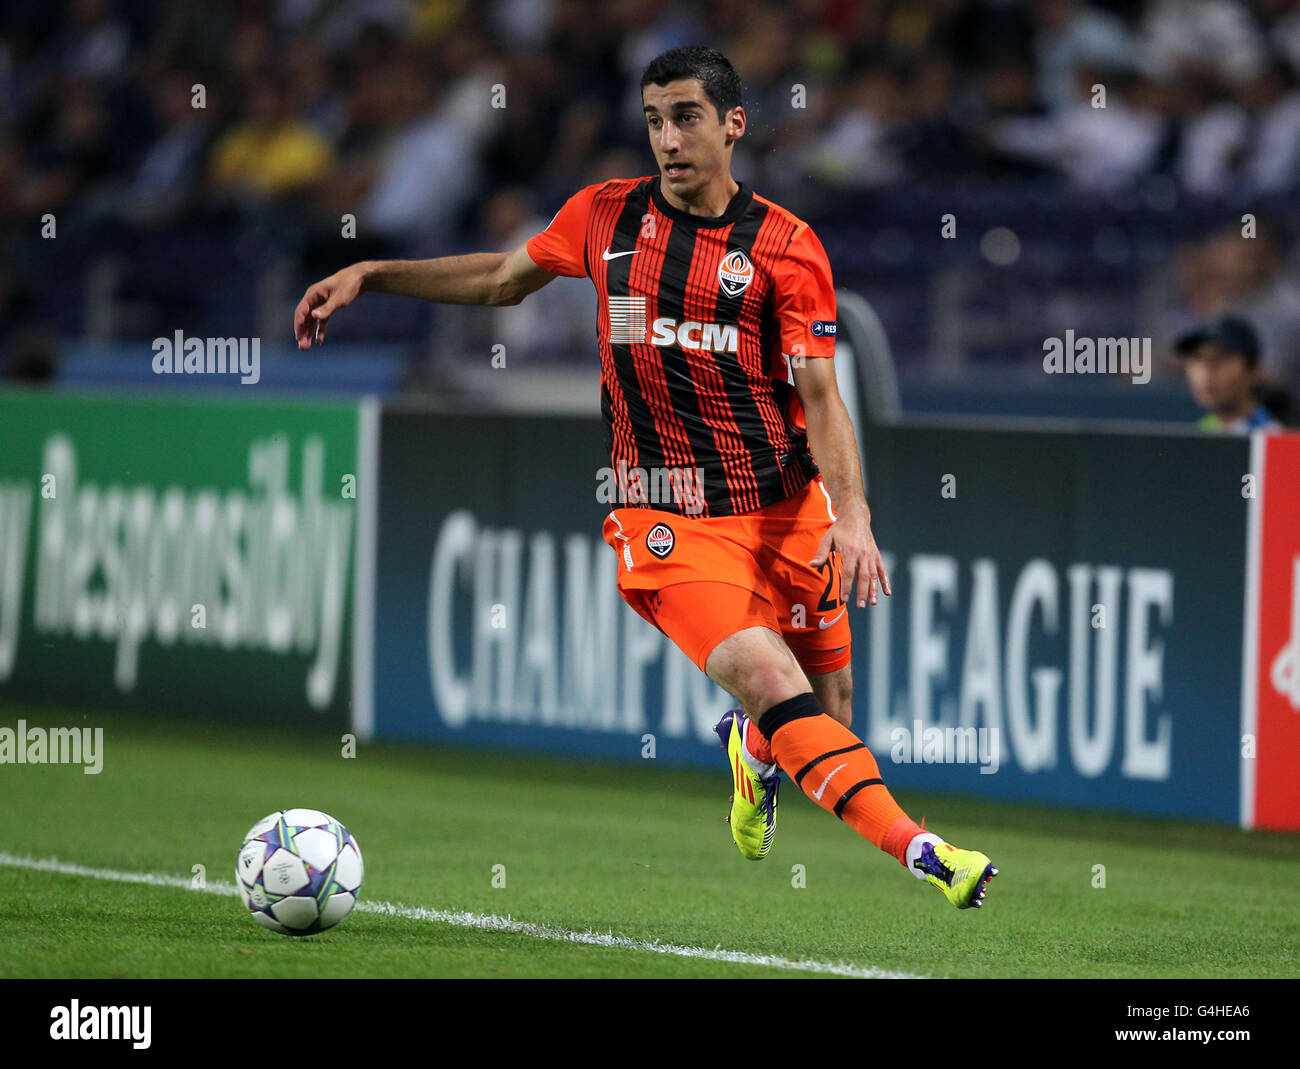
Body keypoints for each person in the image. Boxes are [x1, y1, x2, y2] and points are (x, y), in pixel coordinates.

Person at [293, 45, 997, 910]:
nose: (668, 138)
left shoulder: (785, 248)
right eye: (656, 119)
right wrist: (374, 272)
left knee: (831, 711)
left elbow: (820, 393)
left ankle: (753, 748)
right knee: (773, 681)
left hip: (786, 507)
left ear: (735, 123)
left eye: (688, 117)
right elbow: (500, 278)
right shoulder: (604, 216)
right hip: (667, 519)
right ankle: (924, 849)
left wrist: (850, 513)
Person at [1174, 314, 1286, 432]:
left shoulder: (1274, 441)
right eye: (1197, 358)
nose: (1206, 372)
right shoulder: (1200, 432)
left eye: (1221, 358)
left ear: (1253, 369)